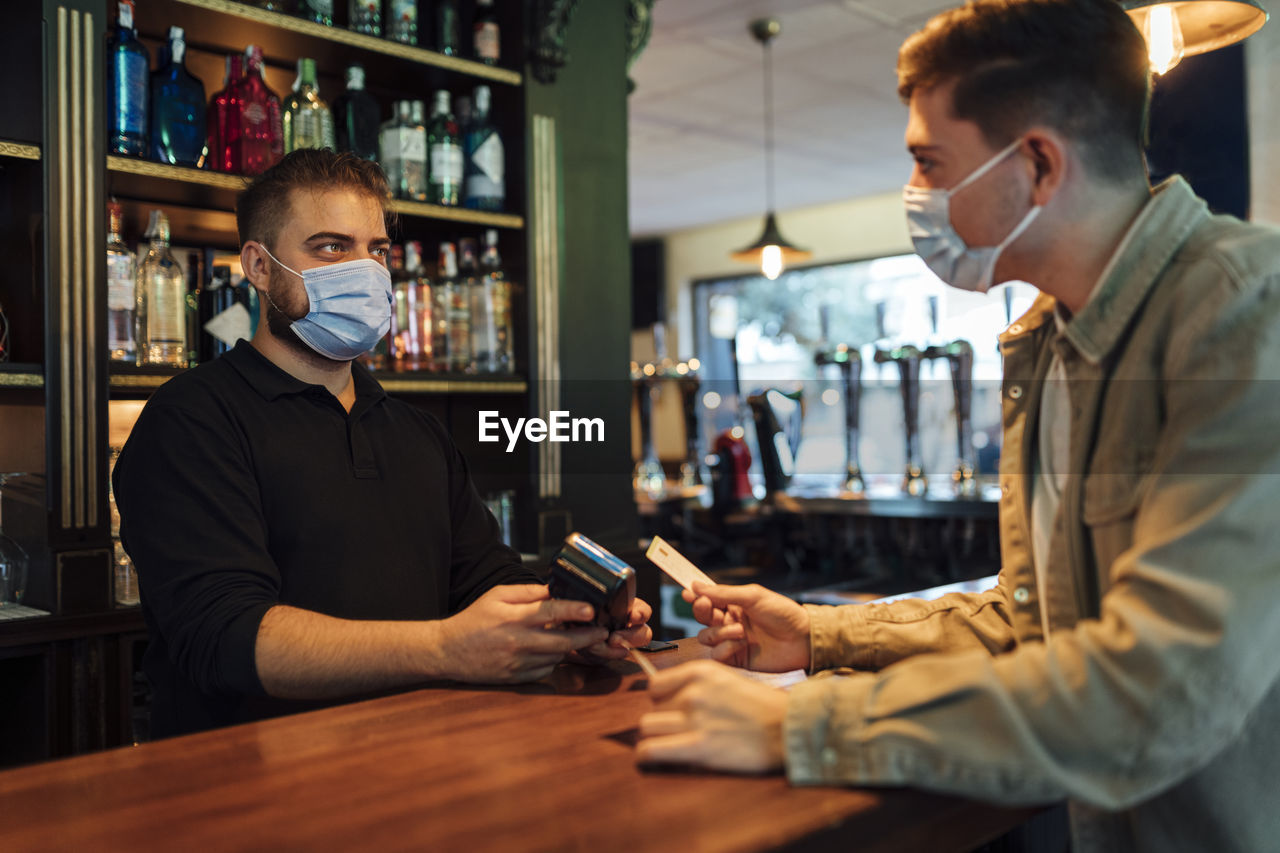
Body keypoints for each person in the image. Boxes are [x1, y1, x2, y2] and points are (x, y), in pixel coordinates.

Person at [634, 0, 1280, 849]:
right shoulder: (1047, 343)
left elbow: (1157, 692)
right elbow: (1030, 622)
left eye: (931, 163)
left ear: (1039, 165)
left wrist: (803, 727)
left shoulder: (1244, 314)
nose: (920, 196)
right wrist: (818, 635)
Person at [114, 149, 651, 738]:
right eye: (330, 247)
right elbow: (226, 639)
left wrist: (567, 627)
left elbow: (485, 579)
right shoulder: (190, 422)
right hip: (250, 784)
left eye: (377, 250)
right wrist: (444, 647)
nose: (365, 270)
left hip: (421, 760)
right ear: (259, 267)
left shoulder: (417, 434)